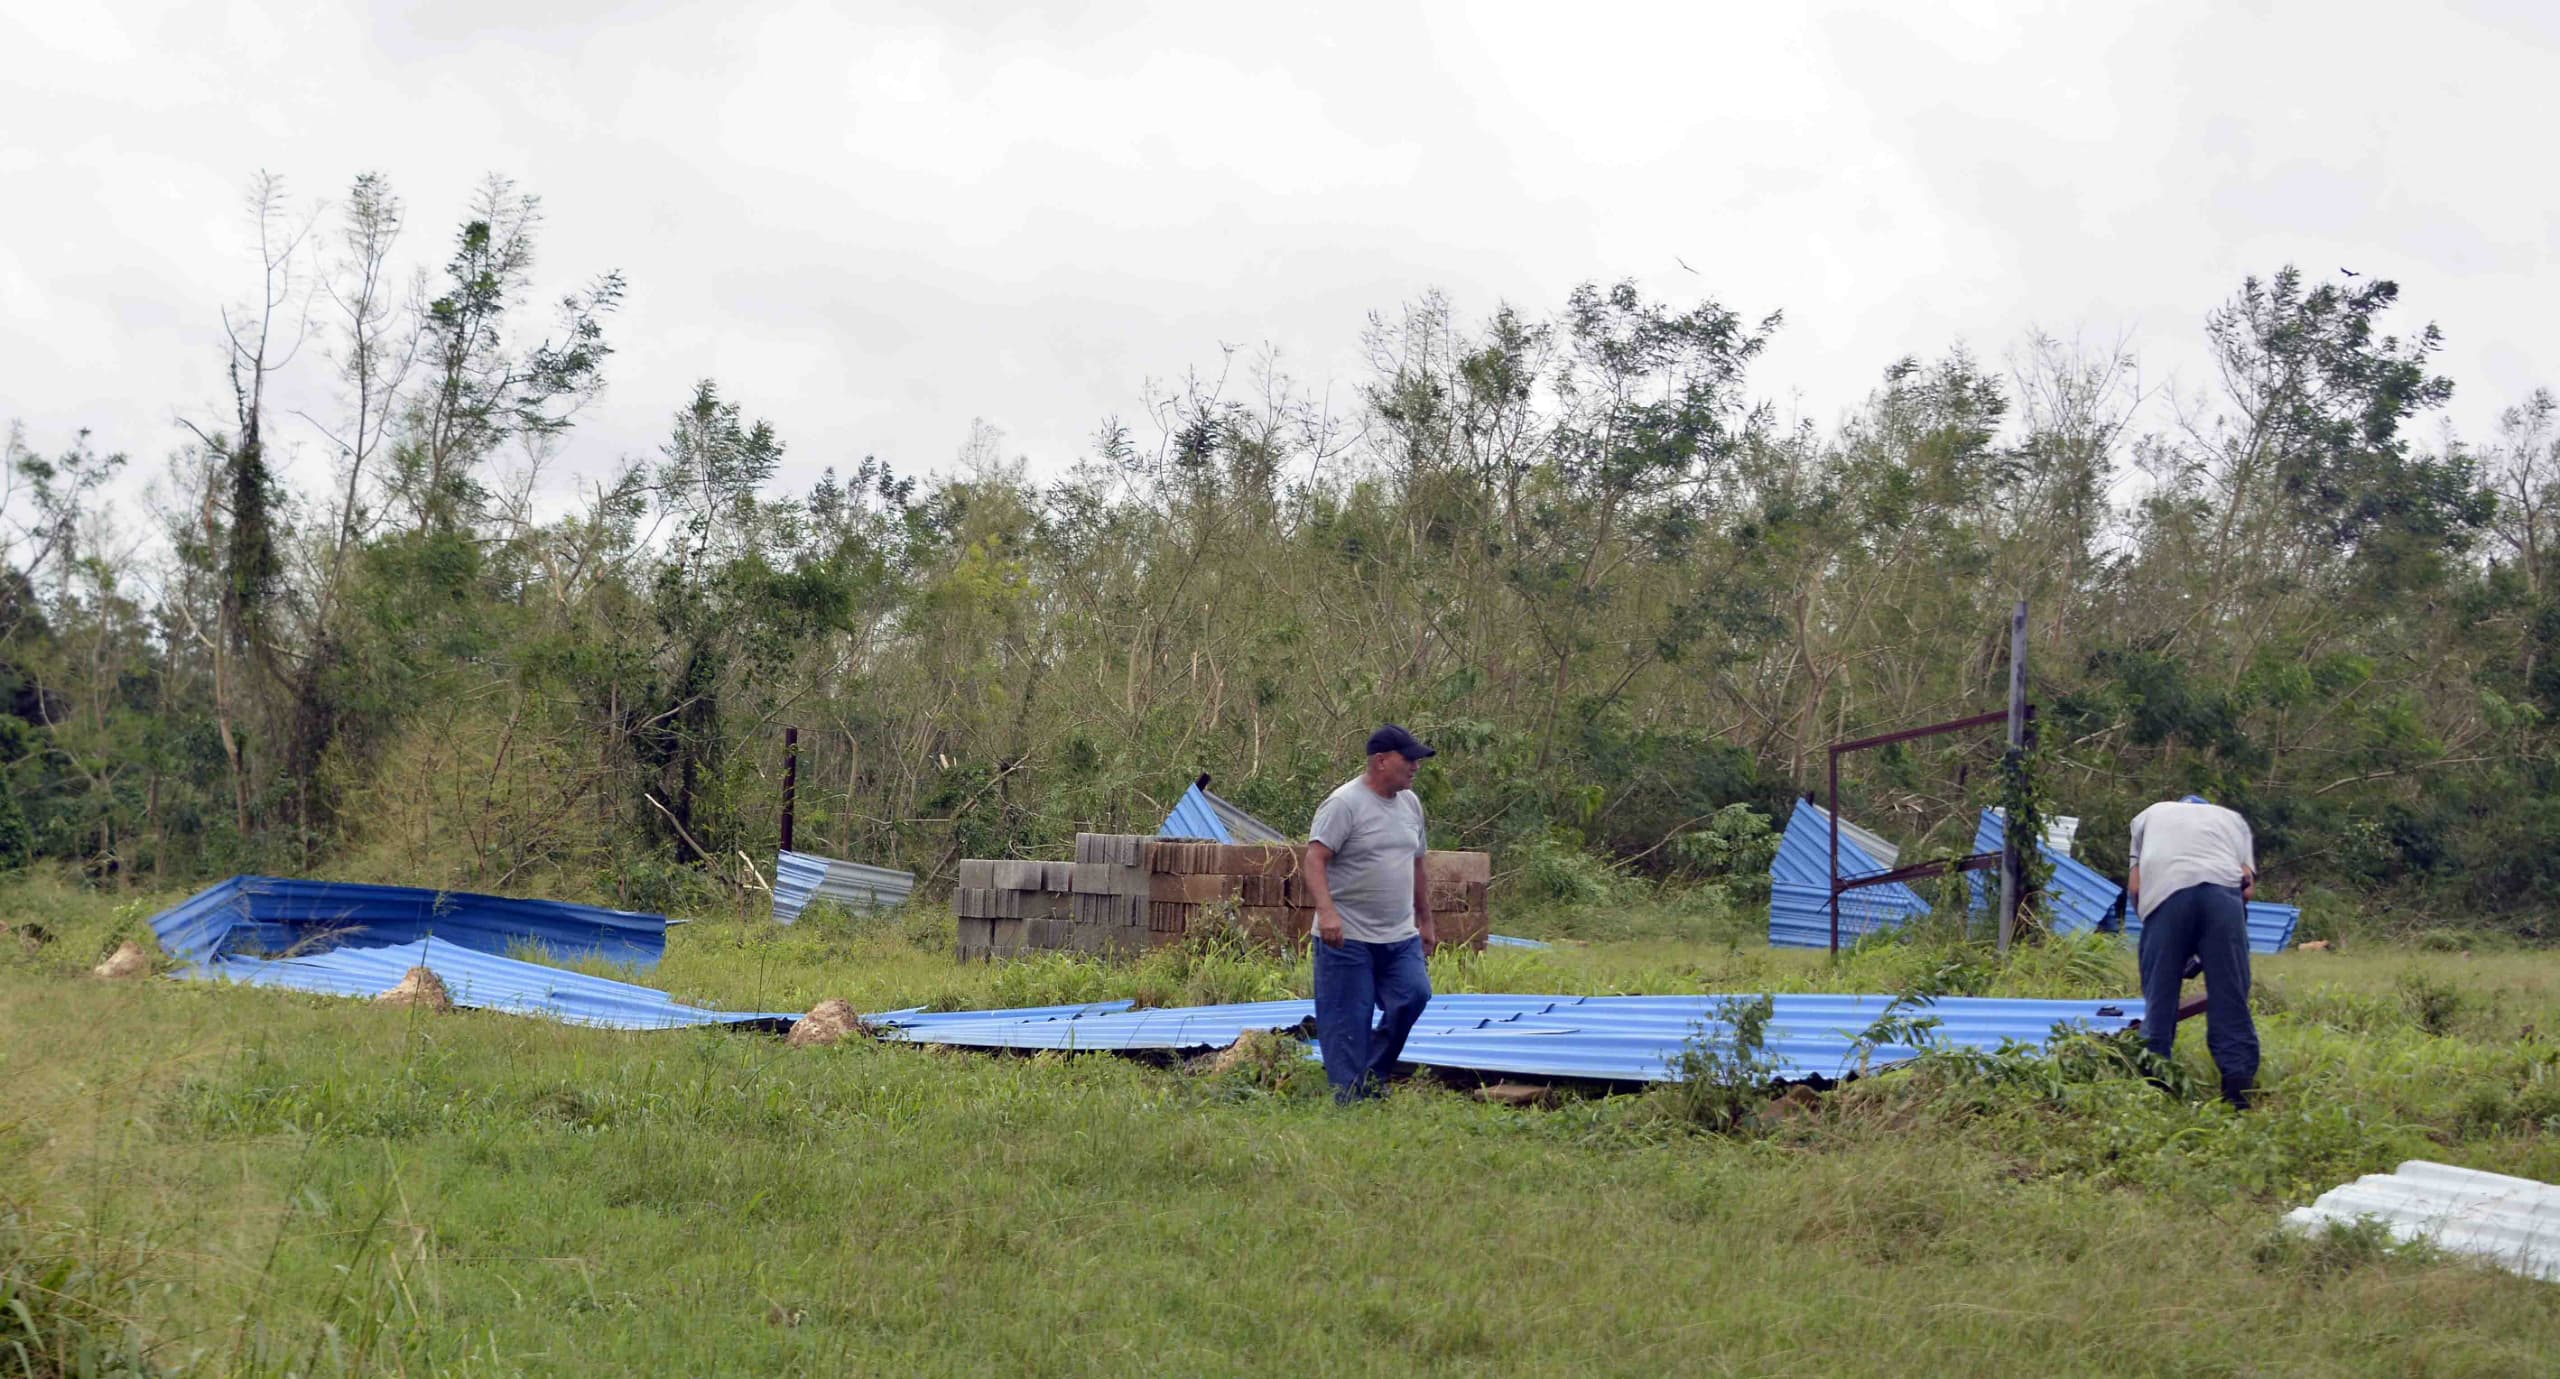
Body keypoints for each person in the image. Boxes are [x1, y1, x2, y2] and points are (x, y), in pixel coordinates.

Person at [1304, 724, 1438, 1103]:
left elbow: (1417, 864)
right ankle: (1350, 1101)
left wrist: (1425, 919)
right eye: (1407, 759)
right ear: (1381, 761)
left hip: (1399, 935)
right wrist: (1327, 913)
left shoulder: (1411, 804)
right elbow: (1314, 859)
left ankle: (1372, 1074)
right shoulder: (1344, 803)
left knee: (1414, 995)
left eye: (1417, 759)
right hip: (1347, 937)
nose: (1415, 766)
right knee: (1348, 1021)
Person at [2128, 793, 2260, 1108]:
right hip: (2222, 896)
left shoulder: (2149, 815)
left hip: (2166, 896)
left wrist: (2156, 927)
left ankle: (2156, 1087)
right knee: (2230, 997)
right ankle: (2237, 1093)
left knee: (2159, 997)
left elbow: (2135, 887)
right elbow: (2247, 886)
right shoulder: (2232, 820)